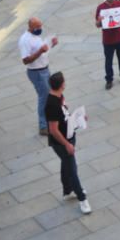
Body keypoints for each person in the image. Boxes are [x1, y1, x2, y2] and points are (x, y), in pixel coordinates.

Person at [45, 72, 92, 215]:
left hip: (69, 136)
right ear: (61, 85)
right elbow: (53, 130)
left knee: (66, 165)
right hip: (61, 143)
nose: (65, 83)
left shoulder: (59, 97)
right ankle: (82, 199)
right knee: (72, 169)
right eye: (64, 81)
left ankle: (67, 191)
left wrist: (80, 119)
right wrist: (66, 144)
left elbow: (65, 117)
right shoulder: (51, 104)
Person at [18, 17, 57, 135]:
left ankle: (50, 121)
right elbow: (25, 60)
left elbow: (43, 50)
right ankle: (43, 126)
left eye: (40, 26)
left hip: (44, 69)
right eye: (37, 27)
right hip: (37, 72)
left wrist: (51, 44)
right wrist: (40, 51)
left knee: (48, 96)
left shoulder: (35, 36)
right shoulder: (25, 40)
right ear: (30, 27)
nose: (40, 29)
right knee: (44, 98)